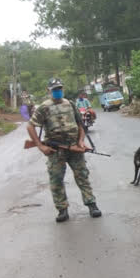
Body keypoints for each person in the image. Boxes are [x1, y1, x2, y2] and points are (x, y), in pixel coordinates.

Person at [26, 78, 101, 222]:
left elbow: (80, 125)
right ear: (49, 91)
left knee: (82, 176)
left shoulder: (70, 104)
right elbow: (30, 126)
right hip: (55, 150)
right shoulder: (44, 107)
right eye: (54, 90)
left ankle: (92, 205)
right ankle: (62, 210)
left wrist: (80, 141)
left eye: (59, 89)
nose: (57, 92)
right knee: (56, 180)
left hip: (74, 147)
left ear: (63, 89)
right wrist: (41, 146)